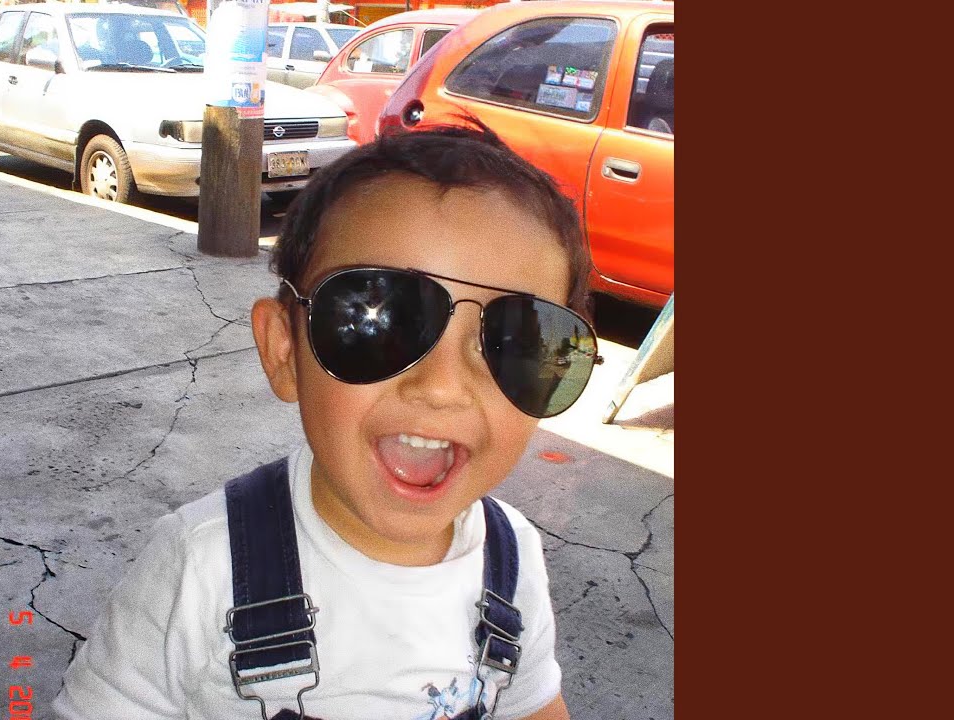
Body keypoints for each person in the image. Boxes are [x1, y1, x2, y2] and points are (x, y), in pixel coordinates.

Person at [53, 123, 602, 720]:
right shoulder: (202, 566)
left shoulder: (512, 560)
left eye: (518, 342)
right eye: (376, 321)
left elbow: (534, 705)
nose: (443, 388)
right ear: (284, 350)